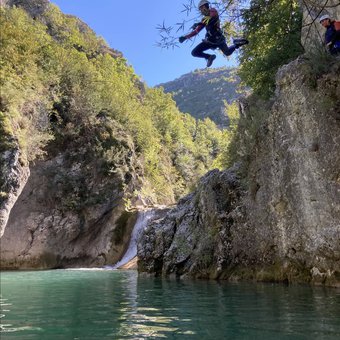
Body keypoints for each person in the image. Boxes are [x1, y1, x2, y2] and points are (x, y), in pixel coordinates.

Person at [179, 0, 248, 67]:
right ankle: (209, 57)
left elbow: (212, 19)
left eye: (201, 8)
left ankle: (236, 44)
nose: (201, 11)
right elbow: (196, 31)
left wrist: (199, 23)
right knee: (194, 52)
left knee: (227, 52)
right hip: (210, 40)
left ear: (205, 6)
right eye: (200, 10)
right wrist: (185, 37)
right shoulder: (204, 19)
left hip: (218, 37)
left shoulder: (212, 10)